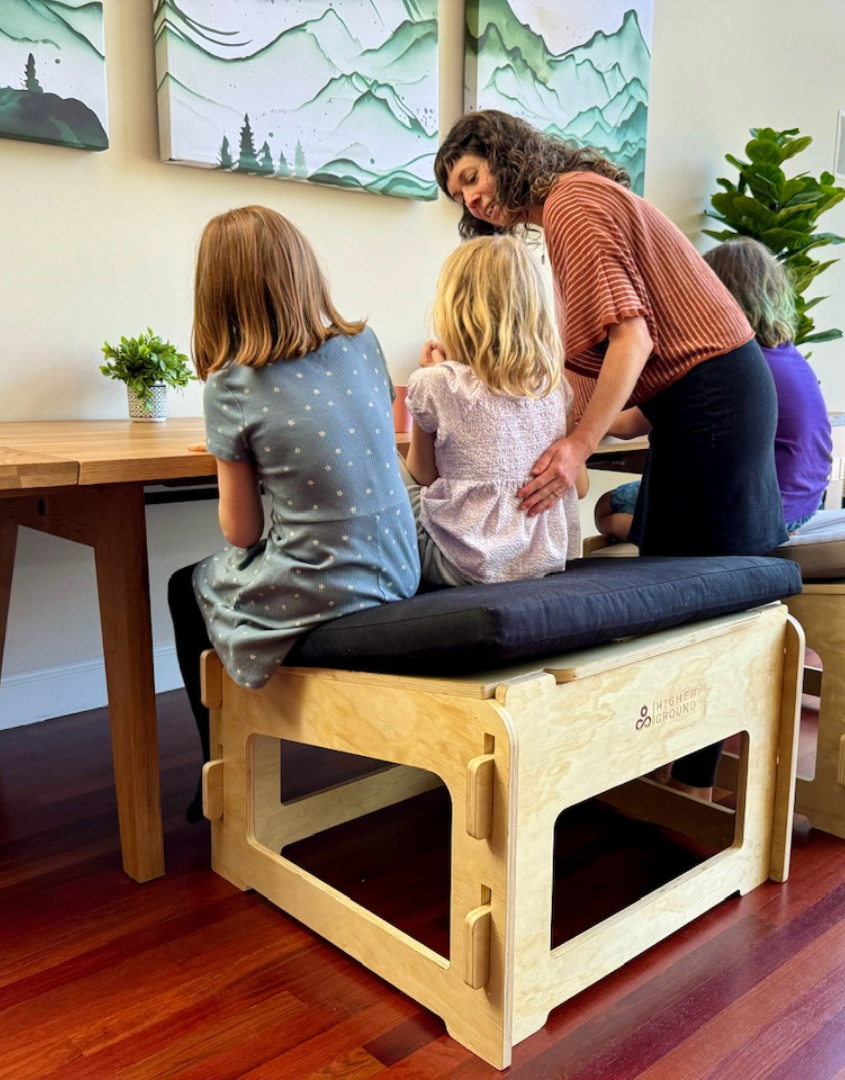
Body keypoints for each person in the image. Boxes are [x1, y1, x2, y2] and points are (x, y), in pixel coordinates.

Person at [435, 110, 787, 799]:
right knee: (675, 574)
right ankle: (675, 770)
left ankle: (688, 788)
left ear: (504, 156)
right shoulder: (582, 198)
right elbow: (625, 372)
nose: (471, 200)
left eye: (471, 178)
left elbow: (632, 341)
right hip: (706, 396)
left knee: (693, 594)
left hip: (713, 400)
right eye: (459, 196)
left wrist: (576, 447)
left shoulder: (573, 201)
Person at [167, 205, 419, 818]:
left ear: (216, 294)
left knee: (185, 587)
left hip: (333, 586)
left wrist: (232, 457)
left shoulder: (232, 384)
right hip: (400, 563)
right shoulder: (364, 344)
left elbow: (241, 529)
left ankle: (222, 780)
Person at [596, 237, 833, 543]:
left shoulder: (724, 363)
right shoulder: (788, 353)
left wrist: (577, 410)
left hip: (759, 512)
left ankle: (673, 542)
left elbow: (627, 427)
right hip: (806, 503)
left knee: (606, 507)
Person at [404, 234, 588, 586]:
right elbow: (577, 488)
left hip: (462, 567)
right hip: (543, 562)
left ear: (454, 306)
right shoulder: (554, 388)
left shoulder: (435, 383)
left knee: (392, 473)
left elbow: (423, 475)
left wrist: (433, 375)